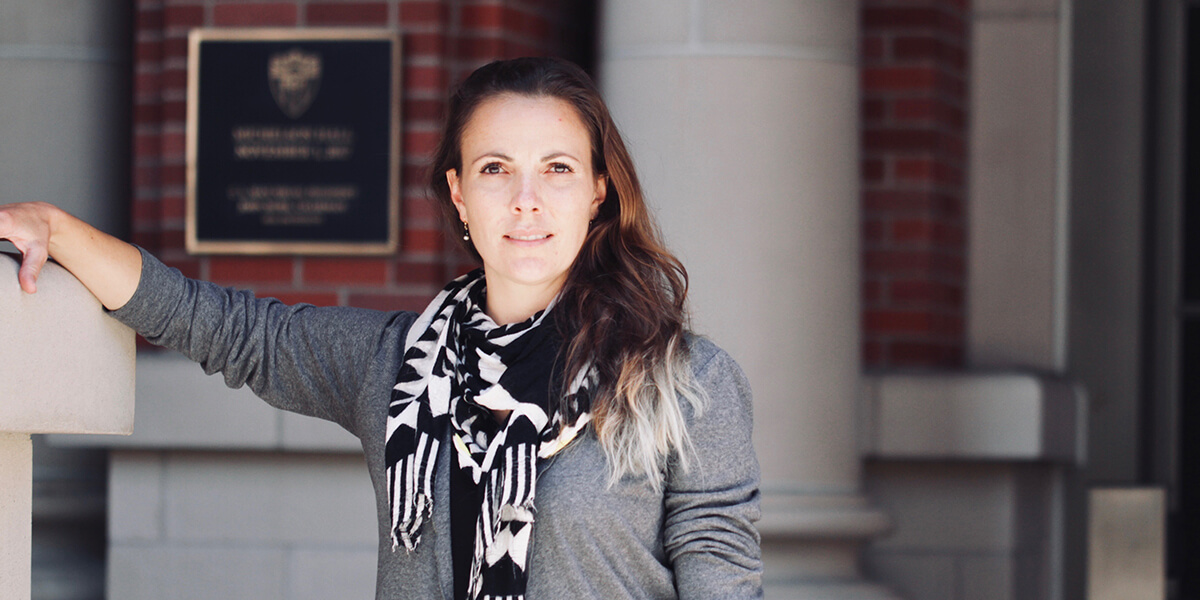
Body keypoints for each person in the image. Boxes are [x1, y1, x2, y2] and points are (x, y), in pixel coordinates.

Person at [0, 57, 762, 599]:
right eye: (496, 169)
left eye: (558, 168)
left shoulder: (685, 382)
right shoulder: (397, 365)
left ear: (599, 190)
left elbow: (721, 576)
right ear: (459, 194)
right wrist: (59, 231)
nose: (527, 199)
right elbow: (222, 326)